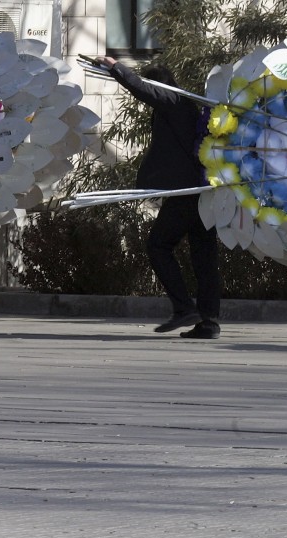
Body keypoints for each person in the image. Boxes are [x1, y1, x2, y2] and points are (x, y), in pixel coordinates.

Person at [97, 56, 221, 339]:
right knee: (204, 258)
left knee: (158, 245)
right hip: (201, 192)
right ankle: (208, 322)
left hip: (186, 194)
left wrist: (116, 68)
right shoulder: (185, 106)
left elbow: (143, 88)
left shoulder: (174, 102)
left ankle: (183, 307)